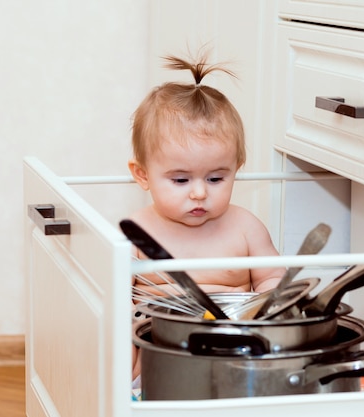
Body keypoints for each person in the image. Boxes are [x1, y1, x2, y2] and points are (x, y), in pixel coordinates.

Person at [127, 52, 286, 382]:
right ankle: (137, 398)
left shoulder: (245, 227)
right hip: (161, 344)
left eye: (216, 179)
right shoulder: (136, 233)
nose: (199, 193)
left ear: (236, 171)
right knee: (122, 341)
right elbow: (113, 298)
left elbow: (274, 279)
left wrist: (269, 303)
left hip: (235, 341)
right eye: (181, 180)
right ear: (142, 175)